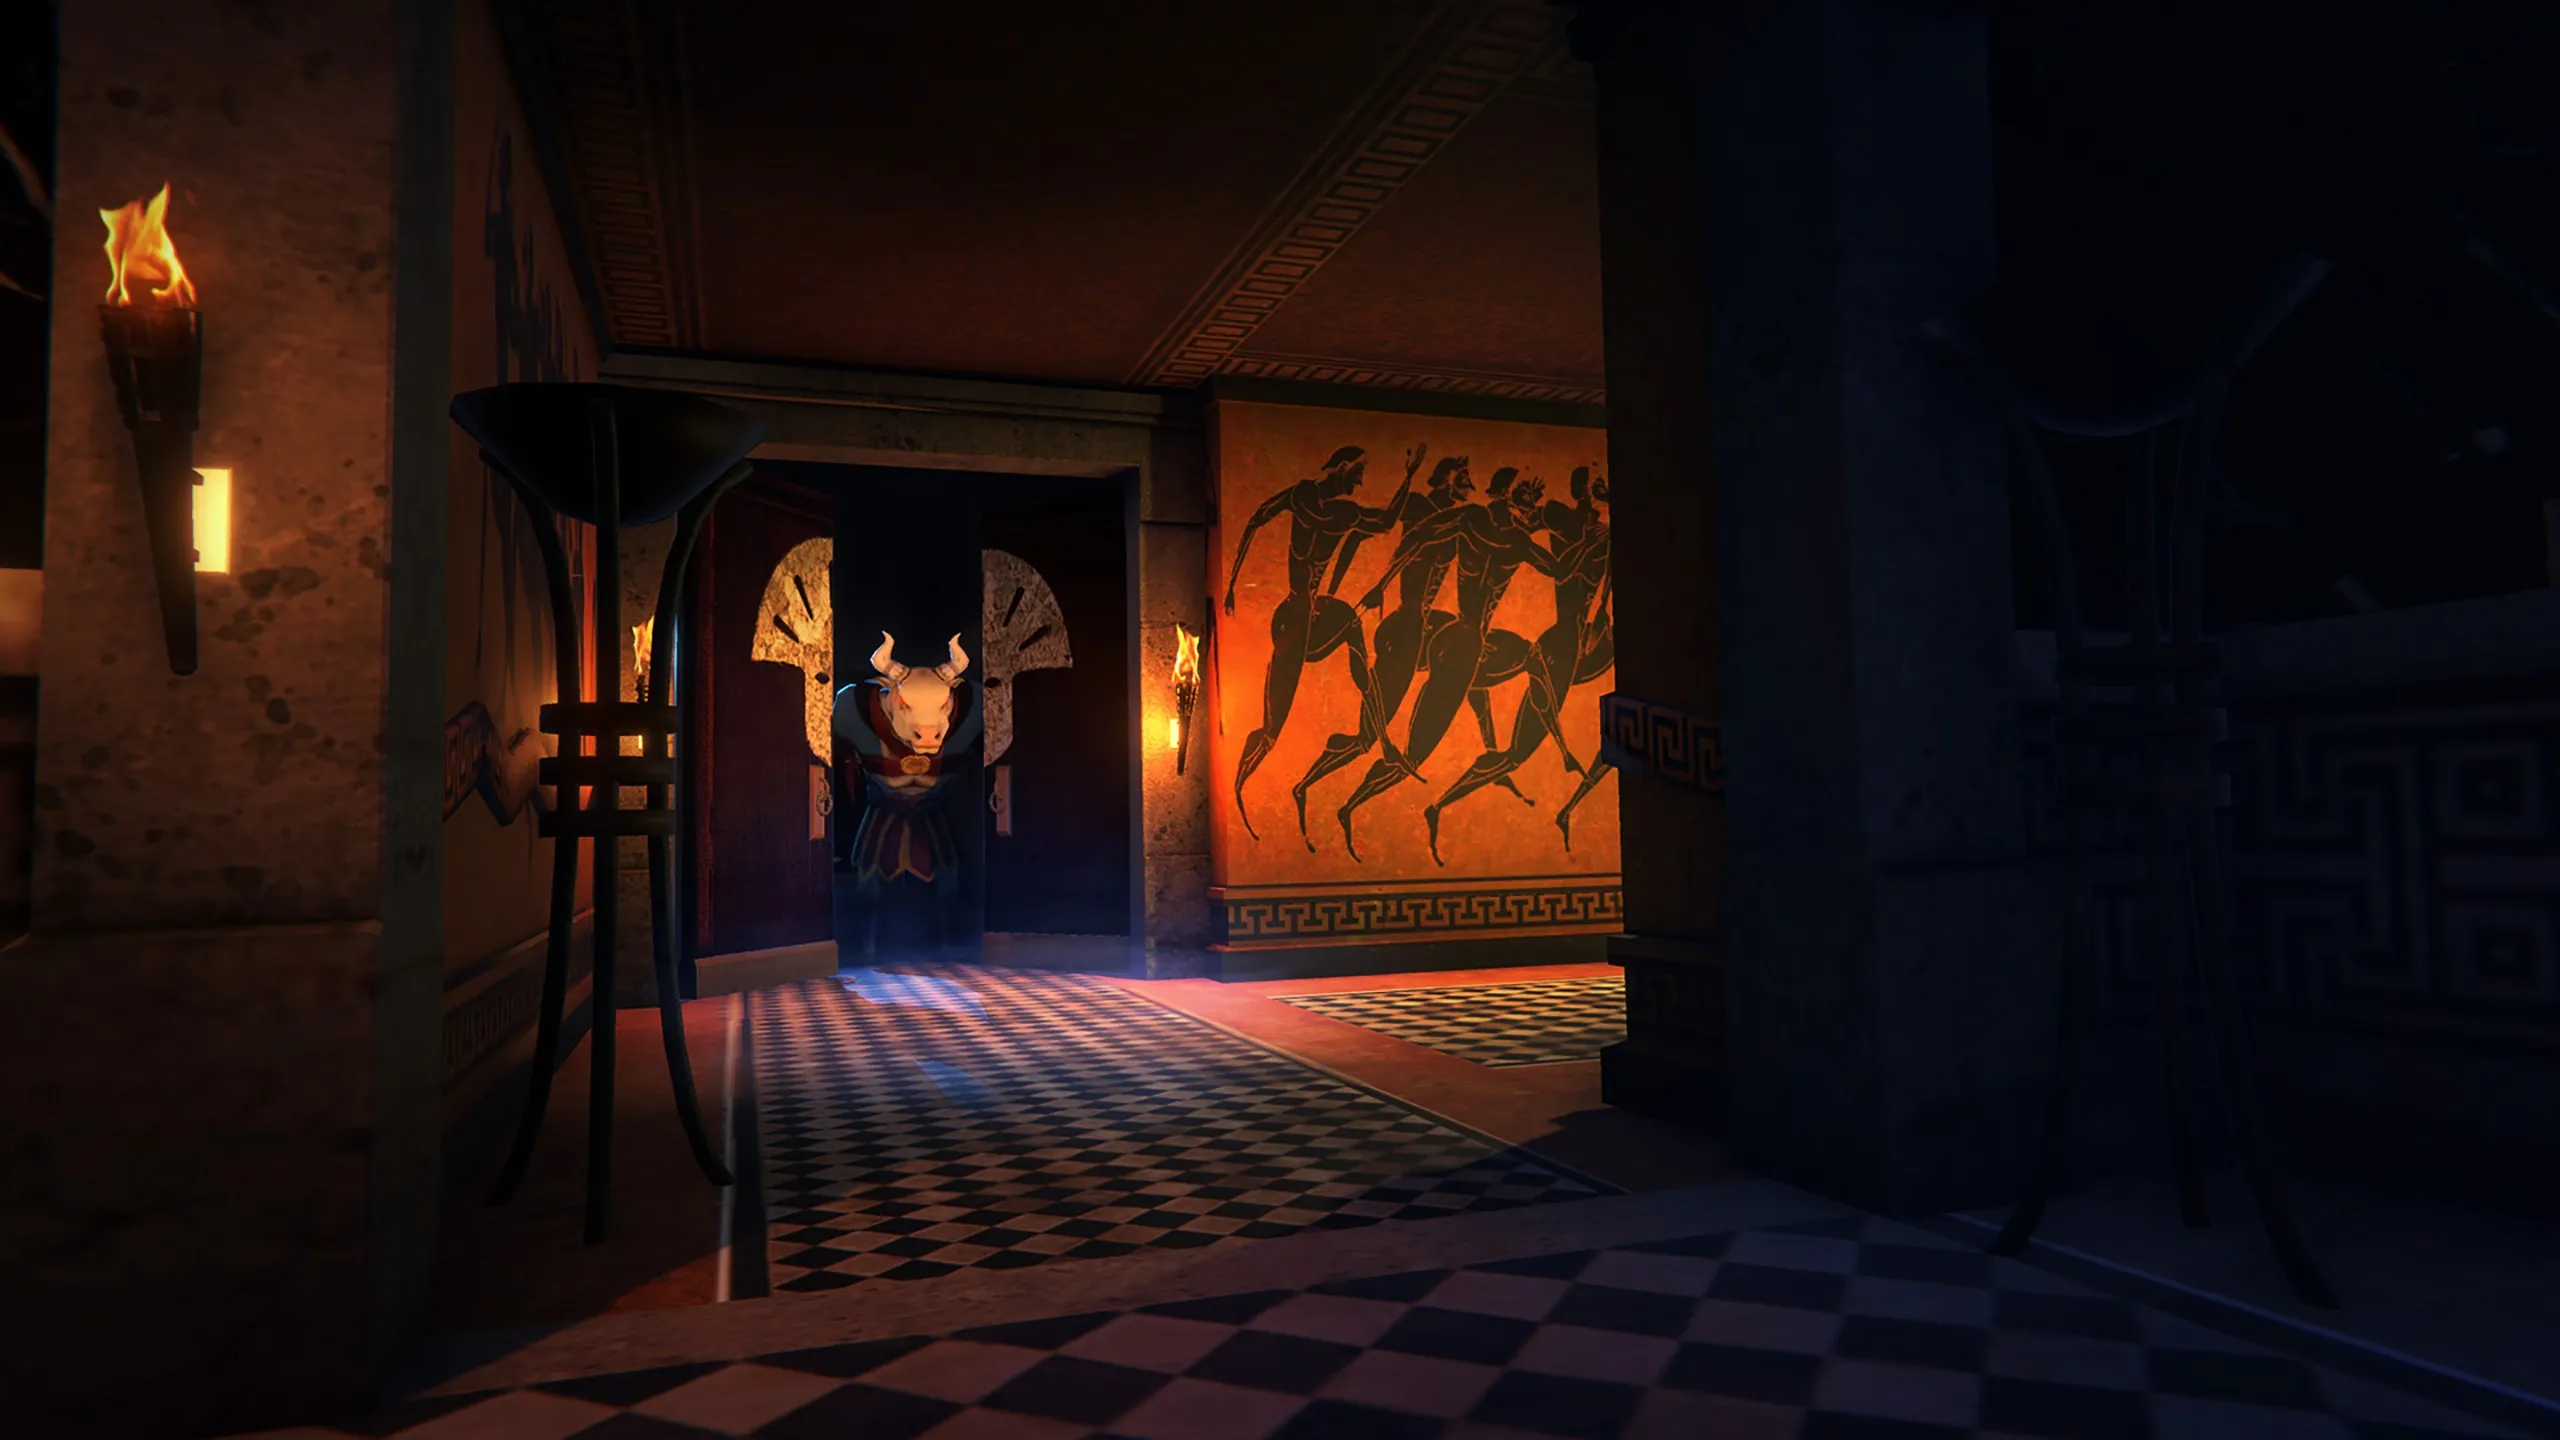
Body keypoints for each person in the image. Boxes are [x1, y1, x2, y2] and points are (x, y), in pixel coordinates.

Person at [1220, 444, 1418, 840]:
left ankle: (1382, 738)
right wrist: (1230, 585)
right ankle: (1239, 790)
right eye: (1357, 471)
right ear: (1341, 467)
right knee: (1272, 730)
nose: (1360, 479)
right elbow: (1257, 518)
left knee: (1352, 626)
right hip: (1294, 619)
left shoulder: (1345, 512)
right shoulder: (1305, 496)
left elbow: (1386, 521)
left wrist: (1409, 476)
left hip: (1315, 614)